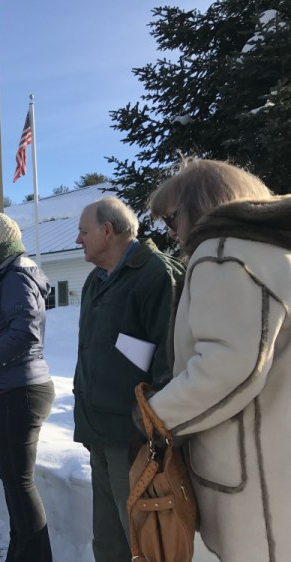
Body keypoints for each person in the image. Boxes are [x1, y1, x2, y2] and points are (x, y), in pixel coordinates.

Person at [145, 159, 291, 561]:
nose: (171, 233)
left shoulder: (223, 254)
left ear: (200, 205)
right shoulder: (275, 254)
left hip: (258, 484)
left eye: (172, 218)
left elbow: (229, 369)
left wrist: (155, 416)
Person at [72, 197, 182, 562]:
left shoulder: (154, 275)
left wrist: (155, 434)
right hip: (98, 430)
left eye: (83, 232)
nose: (77, 240)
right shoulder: (94, 281)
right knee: (107, 540)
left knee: (141, 539)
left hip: (134, 438)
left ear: (107, 231)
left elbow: (168, 365)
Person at [0, 214, 55, 561]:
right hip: (10, 388)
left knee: (19, 482)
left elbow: (25, 331)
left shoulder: (15, 276)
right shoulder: (5, 275)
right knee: (13, 482)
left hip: (22, 390)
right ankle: (21, 553)